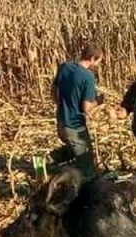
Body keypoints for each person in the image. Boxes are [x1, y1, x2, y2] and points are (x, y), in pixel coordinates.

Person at [49, 42, 104, 178]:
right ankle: (46, 162)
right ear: (92, 58)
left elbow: (54, 90)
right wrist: (98, 101)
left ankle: (47, 160)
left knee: (73, 147)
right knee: (87, 163)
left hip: (61, 121)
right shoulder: (87, 77)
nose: (97, 65)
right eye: (98, 61)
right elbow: (86, 107)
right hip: (74, 125)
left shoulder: (65, 67)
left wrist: (61, 105)